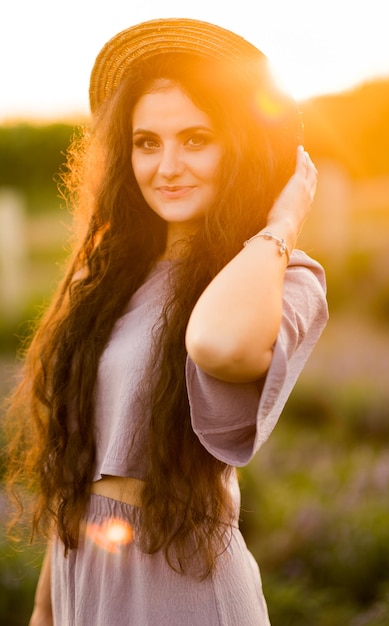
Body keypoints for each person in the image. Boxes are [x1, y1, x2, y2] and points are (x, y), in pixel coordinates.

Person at [5, 17, 328, 626]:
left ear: (238, 146)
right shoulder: (106, 280)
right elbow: (81, 461)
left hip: (181, 588)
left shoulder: (282, 276)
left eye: (196, 138)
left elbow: (217, 343)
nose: (168, 165)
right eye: (147, 142)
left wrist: (282, 225)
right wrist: (47, 606)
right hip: (84, 579)